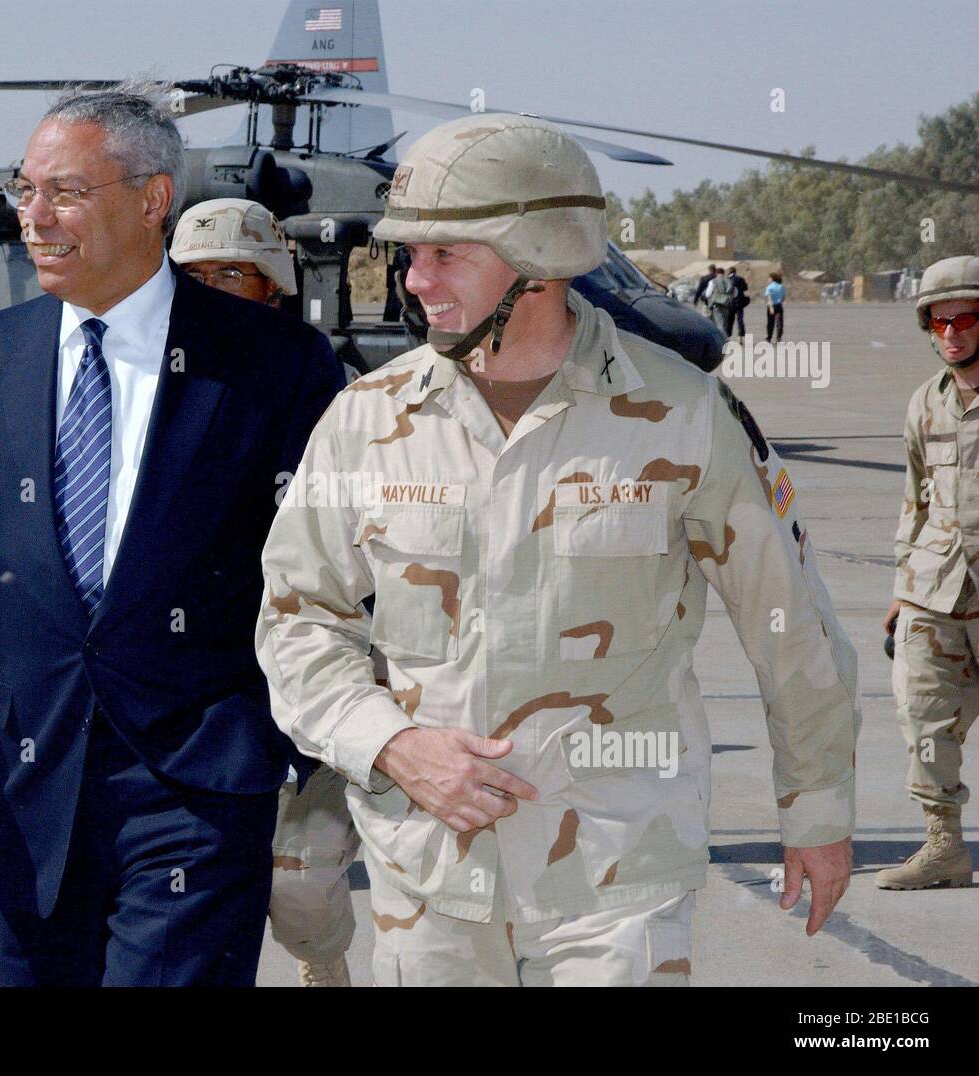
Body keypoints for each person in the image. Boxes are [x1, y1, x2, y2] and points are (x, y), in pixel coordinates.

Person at [256, 113, 860, 987]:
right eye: (409, 254)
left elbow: (789, 622)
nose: (413, 280)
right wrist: (389, 744)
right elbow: (296, 620)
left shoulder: (685, 414)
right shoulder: (365, 421)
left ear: (535, 254)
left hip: (617, 880)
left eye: (444, 253)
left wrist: (817, 811)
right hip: (428, 880)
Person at [0, 84, 344, 987]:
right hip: (33, 786)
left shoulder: (273, 364)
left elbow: (329, 576)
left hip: (201, 788)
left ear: (151, 199)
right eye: (25, 190)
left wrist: (301, 751)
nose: (33, 217)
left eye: (65, 192)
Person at [172, 196, 360, 986]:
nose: (209, 291)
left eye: (230, 275)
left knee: (300, 885)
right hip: (193, 688)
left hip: (307, 673)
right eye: (192, 276)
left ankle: (325, 967)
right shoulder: (144, 384)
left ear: (272, 286)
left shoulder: (325, 387)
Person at [878, 254, 979, 891]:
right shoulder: (925, 404)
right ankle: (943, 846)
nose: (951, 334)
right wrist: (898, 586)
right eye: (937, 324)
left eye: (965, 319)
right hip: (935, 588)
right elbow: (915, 499)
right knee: (921, 714)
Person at [707, 266, 733, 334]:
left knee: (719, 323)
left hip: (717, 304)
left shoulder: (713, 281)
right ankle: (725, 337)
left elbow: (708, 294)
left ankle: (722, 339)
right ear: (723, 273)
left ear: (716, 273)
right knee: (725, 322)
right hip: (727, 303)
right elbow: (734, 292)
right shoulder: (729, 281)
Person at [726, 266, 748, 339]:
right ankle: (740, 337)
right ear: (735, 272)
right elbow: (745, 288)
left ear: (729, 272)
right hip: (739, 302)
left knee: (729, 320)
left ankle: (728, 336)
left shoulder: (727, 280)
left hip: (730, 303)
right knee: (740, 319)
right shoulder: (740, 279)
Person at [765, 271, 785, 343]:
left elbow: (769, 298)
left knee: (770, 323)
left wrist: (771, 307)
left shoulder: (769, 287)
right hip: (779, 306)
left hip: (771, 306)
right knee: (779, 323)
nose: (768, 280)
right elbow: (783, 299)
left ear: (772, 279)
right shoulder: (781, 286)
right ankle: (778, 338)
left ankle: (769, 338)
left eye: (769, 278)